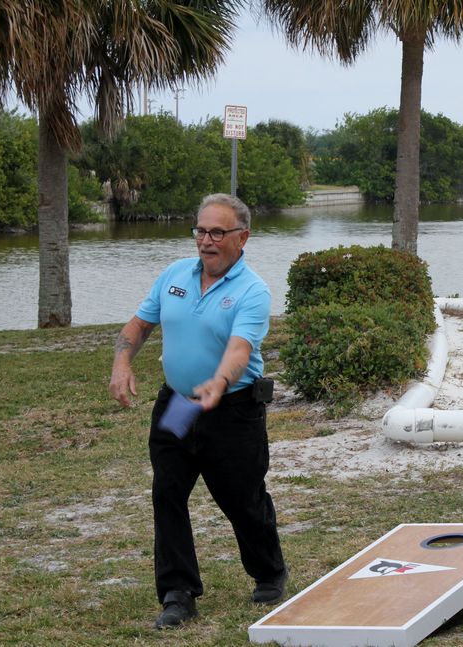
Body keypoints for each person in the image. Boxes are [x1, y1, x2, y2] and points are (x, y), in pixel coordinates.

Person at [109, 193, 288, 629]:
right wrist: (121, 362)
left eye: (218, 233)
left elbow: (240, 349)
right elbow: (140, 324)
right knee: (167, 492)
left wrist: (219, 382)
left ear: (242, 237)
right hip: (179, 404)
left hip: (232, 411)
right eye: (201, 231)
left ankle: (269, 571)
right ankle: (178, 593)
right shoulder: (174, 274)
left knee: (241, 499)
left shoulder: (252, 290)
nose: (206, 241)